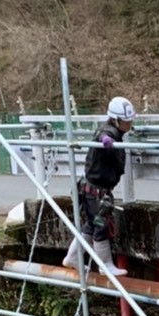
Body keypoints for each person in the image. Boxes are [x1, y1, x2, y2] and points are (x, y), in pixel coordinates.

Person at [61, 96, 136, 276]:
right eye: (127, 121)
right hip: (96, 192)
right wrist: (107, 142)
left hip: (90, 188)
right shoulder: (108, 132)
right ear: (116, 119)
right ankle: (105, 265)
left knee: (92, 224)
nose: (130, 124)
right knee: (100, 224)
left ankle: (72, 257)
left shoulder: (115, 131)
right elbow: (104, 135)